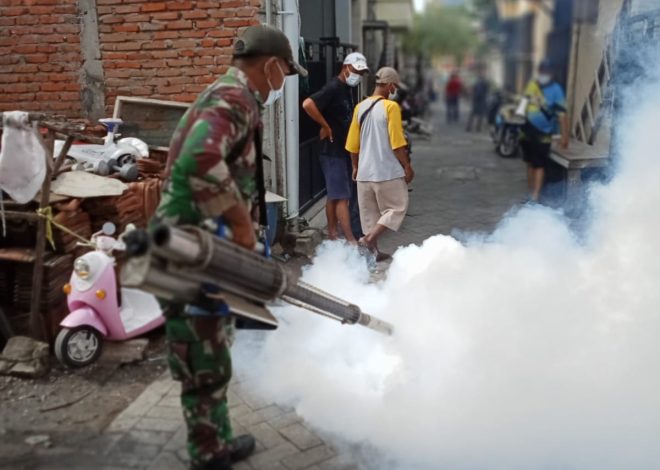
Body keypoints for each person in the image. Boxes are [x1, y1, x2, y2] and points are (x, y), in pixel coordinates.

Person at [153, 25, 307, 470]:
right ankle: (209, 451)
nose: (283, 83)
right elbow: (200, 158)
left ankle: (213, 441)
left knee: (207, 349)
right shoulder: (235, 98)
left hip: (196, 245)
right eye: (285, 74)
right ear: (272, 66)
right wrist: (241, 225)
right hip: (192, 249)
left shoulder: (226, 95)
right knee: (202, 352)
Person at [345, 67, 414, 261]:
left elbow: (352, 145)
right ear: (390, 85)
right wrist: (407, 166)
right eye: (395, 86)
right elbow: (397, 143)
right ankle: (368, 240)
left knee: (370, 216)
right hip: (386, 171)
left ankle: (374, 253)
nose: (395, 90)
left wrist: (355, 167)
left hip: (364, 174)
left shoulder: (360, 108)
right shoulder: (390, 107)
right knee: (397, 207)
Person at [302, 52, 369, 242]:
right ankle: (350, 240)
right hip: (331, 151)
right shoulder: (333, 87)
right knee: (342, 197)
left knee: (334, 194)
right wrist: (325, 126)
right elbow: (308, 104)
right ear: (345, 67)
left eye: (361, 73)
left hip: (342, 149)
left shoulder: (346, 88)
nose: (358, 75)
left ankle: (332, 234)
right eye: (356, 71)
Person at [520, 59, 569, 202]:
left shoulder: (556, 90)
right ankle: (530, 192)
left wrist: (564, 136)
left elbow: (562, 115)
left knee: (539, 164)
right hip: (526, 132)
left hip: (543, 135)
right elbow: (523, 106)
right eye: (542, 71)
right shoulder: (532, 85)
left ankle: (535, 196)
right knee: (529, 163)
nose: (543, 74)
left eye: (546, 72)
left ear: (552, 73)